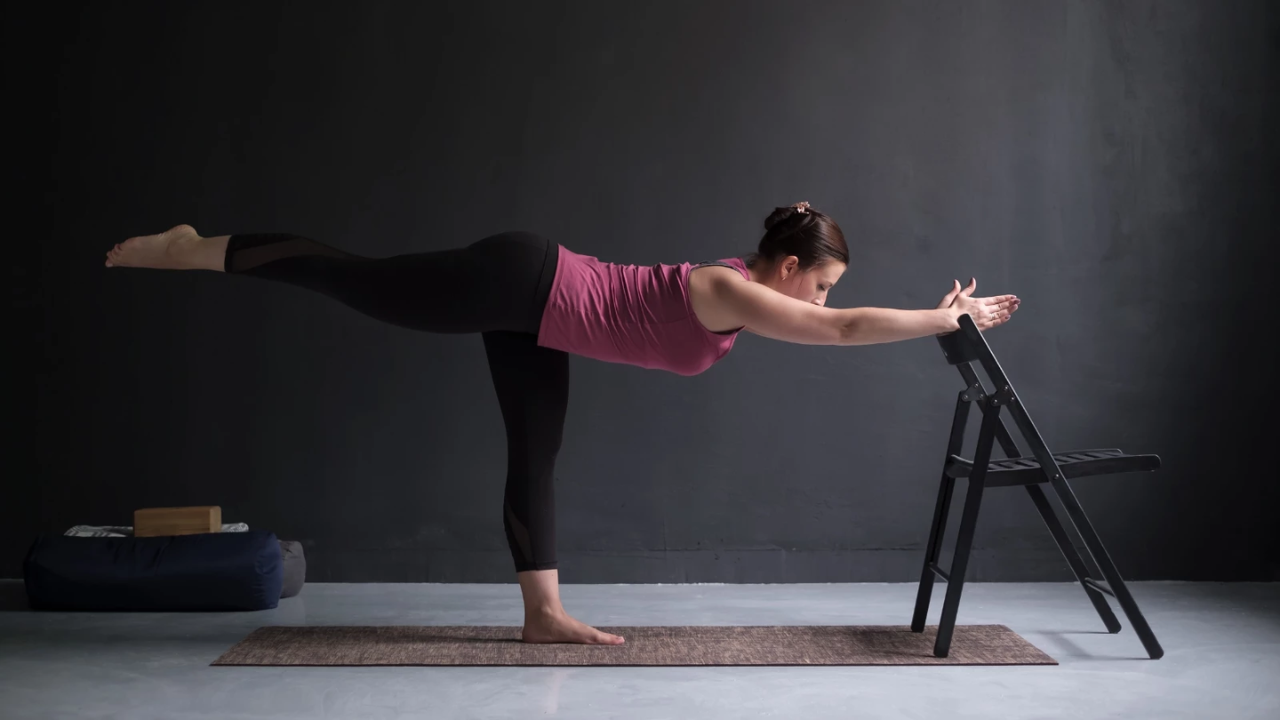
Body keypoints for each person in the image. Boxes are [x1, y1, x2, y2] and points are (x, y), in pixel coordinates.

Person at [104, 201, 1020, 646]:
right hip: (522, 281)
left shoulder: (742, 293)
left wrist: (941, 314)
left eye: (824, 287)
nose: (819, 298)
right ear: (783, 267)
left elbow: (840, 317)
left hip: (539, 314)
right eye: (816, 280)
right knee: (356, 278)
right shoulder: (729, 289)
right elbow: (841, 329)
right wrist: (948, 319)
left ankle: (543, 613)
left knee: (535, 453)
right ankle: (196, 251)